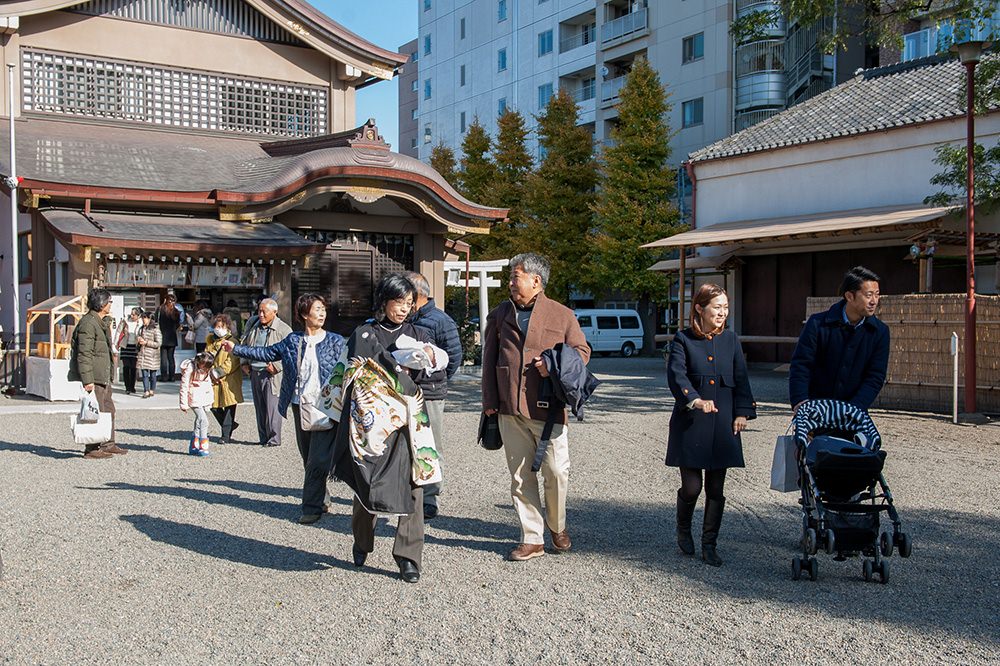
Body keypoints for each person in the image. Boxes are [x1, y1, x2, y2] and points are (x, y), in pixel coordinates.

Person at [329, 273, 447, 583]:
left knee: (414, 485)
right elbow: (345, 375)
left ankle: (408, 557)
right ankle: (362, 540)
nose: (405, 308)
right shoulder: (363, 334)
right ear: (384, 301)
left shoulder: (418, 334)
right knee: (367, 483)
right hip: (370, 425)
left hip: (407, 423)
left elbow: (433, 373)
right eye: (399, 302)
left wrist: (425, 362)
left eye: (409, 303)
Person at [482, 253, 590, 562]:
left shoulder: (562, 314)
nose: (510, 283)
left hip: (549, 407)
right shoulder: (500, 314)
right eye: (511, 277)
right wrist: (490, 401)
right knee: (520, 476)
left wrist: (554, 364)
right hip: (509, 406)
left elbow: (582, 352)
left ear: (536, 281)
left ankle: (557, 525)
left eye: (515, 277)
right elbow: (490, 359)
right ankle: (532, 538)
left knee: (556, 471)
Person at [222, 294, 346, 523]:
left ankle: (311, 509)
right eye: (317, 309)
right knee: (308, 457)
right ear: (304, 314)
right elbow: (266, 353)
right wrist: (236, 349)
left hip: (326, 406)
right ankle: (322, 497)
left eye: (323, 309)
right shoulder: (293, 340)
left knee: (317, 459)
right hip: (300, 405)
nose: (322, 313)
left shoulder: (336, 341)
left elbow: (349, 367)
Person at [666, 284, 756, 567]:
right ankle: (683, 528)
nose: (722, 313)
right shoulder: (683, 339)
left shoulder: (731, 339)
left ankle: (709, 544)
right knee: (692, 487)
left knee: (716, 489)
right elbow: (677, 375)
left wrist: (742, 413)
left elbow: (741, 378)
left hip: (723, 422)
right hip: (691, 422)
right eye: (717, 307)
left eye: (725, 308)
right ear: (699, 308)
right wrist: (694, 400)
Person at [789, 266, 890, 412]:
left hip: (853, 411)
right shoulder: (817, 324)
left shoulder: (880, 332)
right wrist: (800, 400)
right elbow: (801, 364)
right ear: (849, 296)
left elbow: (875, 376)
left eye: (877, 294)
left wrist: (855, 409)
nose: (874, 301)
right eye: (868, 295)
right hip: (814, 408)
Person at [405, 270, 463, 520]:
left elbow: (454, 356)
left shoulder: (441, 320)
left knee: (430, 445)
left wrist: (436, 380)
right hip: (403, 391)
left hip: (430, 394)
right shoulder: (404, 316)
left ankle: (430, 498)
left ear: (417, 294)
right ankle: (408, 491)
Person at [68, 287, 126, 459]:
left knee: (108, 409)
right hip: (94, 376)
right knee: (94, 411)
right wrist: (87, 380)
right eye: (109, 301)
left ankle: (108, 443)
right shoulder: (88, 323)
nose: (111, 304)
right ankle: (92, 448)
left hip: (103, 375)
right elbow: (84, 354)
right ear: (102, 304)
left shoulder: (100, 322)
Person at [239, 298, 292, 448]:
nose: (261, 314)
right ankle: (263, 437)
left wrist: (276, 366)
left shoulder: (284, 329)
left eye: (264, 311)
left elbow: (291, 353)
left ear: (274, 312)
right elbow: (245, 344)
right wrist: (244, 363)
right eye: (259, 311)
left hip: (272, 374)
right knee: (260, 407)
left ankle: (274, 439)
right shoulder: (253, 325)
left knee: (272, 408)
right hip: (255, 371)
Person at [205, 313, 243, 443]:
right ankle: (231, 425)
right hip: (214, 378)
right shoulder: (211, 342)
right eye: (217, 326)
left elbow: (231, 362)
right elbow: (206, 358)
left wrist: (218, 373)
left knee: (229, 406)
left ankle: (225, 435)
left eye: (222, 326)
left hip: (229, 379)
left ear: (227, 327)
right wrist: (210, 372)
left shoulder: (233, 342)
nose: (219, 329)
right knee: (213, 405)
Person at [179, 351, 215, 457]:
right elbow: (184, 386)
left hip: (203, 397)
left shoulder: (206, 370)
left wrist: (209, 401)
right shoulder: (190, 368)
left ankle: (194, 445)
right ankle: (203, 445)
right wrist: (183, 403)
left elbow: (208, 385)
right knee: (204, 420)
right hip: (193, 397)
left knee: (199, 421)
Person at [115, 307, 142, 395]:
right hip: (125, 345)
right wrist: (116, 343)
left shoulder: (140, 322)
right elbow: (118, 332)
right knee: (126, 366)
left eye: (134, 315)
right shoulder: (125, 321)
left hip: (135, 346)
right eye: (131, 314)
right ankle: (127, 387)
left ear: (138, 316)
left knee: (133, 367)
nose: (132, 316)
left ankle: (132, 386)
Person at [156, 293, 182, 381]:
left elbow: (156, 321)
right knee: (171, 357)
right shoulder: (176, 311)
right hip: (172, 337)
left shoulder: (160, 309)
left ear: (165, 300)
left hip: (162, 335)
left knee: (163, 358)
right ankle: (172, 376)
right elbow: (178, 324)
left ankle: (164, 377)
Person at [136, 311, 162, 398]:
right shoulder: (141, 328)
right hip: (143, 354)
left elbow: (158, 343)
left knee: (153, 375)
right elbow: (138, 337)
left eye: (145, 318)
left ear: (150, 319)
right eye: (143, 318)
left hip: (152, 355)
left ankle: (152, 389)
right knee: (144, 374)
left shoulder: (155, 329)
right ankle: (146, 390)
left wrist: (146, 342)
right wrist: (139, 340)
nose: (143, 320)